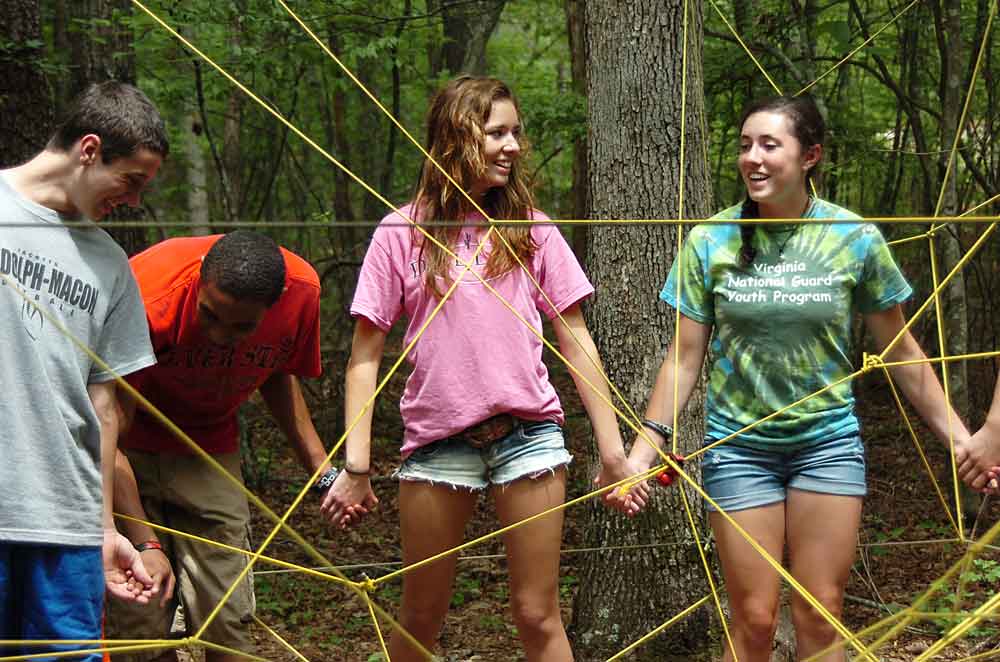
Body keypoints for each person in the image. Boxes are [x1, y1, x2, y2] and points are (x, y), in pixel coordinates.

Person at [627, 95, 975, 662]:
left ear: (810, 155)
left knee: (819, 613)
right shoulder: (709, 240)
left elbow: (901, 350)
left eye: (770, 145)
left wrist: (960, 439)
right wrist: (643, 451)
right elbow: (683, 359)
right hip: (739, 449)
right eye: (744, 146)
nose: (752, 159)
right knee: (754, 621)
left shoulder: (853, 236)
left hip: (827, 446)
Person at [323, 76, 644, 661]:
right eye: (496, 132)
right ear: (454, 138)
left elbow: (576, 340)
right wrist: (357, 466)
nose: (513, 145)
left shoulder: (531, 227)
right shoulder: (402, 232)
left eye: (516, 131)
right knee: (421, 615)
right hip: (436, 441)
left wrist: (614, 453)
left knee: (536, 612)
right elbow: (364, 358)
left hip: (529, 436)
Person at [104, 230, 337, 662]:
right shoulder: (151, 294)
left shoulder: (301, 294)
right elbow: (110, 426)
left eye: (241, 327)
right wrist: (146, 542)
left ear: (277, 301)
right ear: (200, 283)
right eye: (209, 315)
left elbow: (278, 372)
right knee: (141, 624)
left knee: (227, 618)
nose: (219, 335)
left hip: (209, 449)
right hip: (127, 452)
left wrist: (323, 472)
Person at [0, 81, 168, 660]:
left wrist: (104, 529)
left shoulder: (109, 263)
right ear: (90, 150)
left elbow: (104, 409)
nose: (136, 200)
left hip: (66, 525)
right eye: (133, 180)